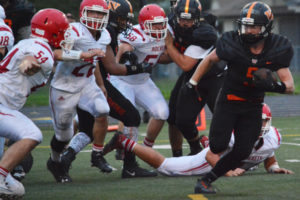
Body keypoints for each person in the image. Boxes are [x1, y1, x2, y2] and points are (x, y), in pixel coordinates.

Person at [186, 1, 294, 193]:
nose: (249, 31)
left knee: (243, 151)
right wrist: (192, 83)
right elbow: (209, 59)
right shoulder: (232, 42)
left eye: (254, 26)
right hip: (229, 101)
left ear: (266, 27)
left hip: (253, 106)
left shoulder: (278, 47)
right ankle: (203, 157)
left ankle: (205, 181)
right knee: (218, 144)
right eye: (246, 25)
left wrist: (271, 85)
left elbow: (289, 87)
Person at [60, 0, 157, 179]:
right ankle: (129, 167)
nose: (126, 24)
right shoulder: (106, 32)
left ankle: (63, 160)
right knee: (132, 117)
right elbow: (111, 67)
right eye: (122, 19)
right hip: (91, 83)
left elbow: (102, 63)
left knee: (87, 129)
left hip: (86, 82)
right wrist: (139, 68)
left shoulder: (101, 32)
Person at [103, 103, 294, 177]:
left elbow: (267, 151)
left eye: (262, 122)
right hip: (211, 159)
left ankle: (209, 143)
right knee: (166, 167)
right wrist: (227, 171)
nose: (258, 127)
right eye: (253, 122)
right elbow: (212, 157)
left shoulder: (274, 137)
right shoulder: (234, 135)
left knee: (245, 162)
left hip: (230, 157)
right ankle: (123, 141)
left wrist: (273, 167)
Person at [0, 8, 70, 198]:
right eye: (63, 31)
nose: (65, 36)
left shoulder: (29, 42)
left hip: (5, 106)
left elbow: (50, 55)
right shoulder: (41, 52)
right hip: (1, 105)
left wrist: (82, 55)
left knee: (16, 190)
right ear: (54, 32)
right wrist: (28, 65)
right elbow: (29, 59)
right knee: (32, 134)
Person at [165, 0, 226, 156]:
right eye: (182, 19)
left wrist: (169, 45)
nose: (185, 23)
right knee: (181, 120)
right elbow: (172, 58)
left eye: (190, 19)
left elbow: (185, 63)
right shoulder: (171, 22)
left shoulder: (204, 34)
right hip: (193, 77)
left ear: (198, 18)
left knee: (224, 117)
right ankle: (195, 148)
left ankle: (241, 152)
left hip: (215, 77)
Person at [109, 4, 169, 153]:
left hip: (143, 81)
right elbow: (122, 48)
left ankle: (146, 148)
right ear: (143, 25)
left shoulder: (166, 34)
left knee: (162, 113)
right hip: (122, 80)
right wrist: (127, 51)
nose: (159, 27)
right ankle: (125, 153)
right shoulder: (135, 34)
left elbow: (162, 56)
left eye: (161, 23)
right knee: (130, 117)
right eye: (154, 25)